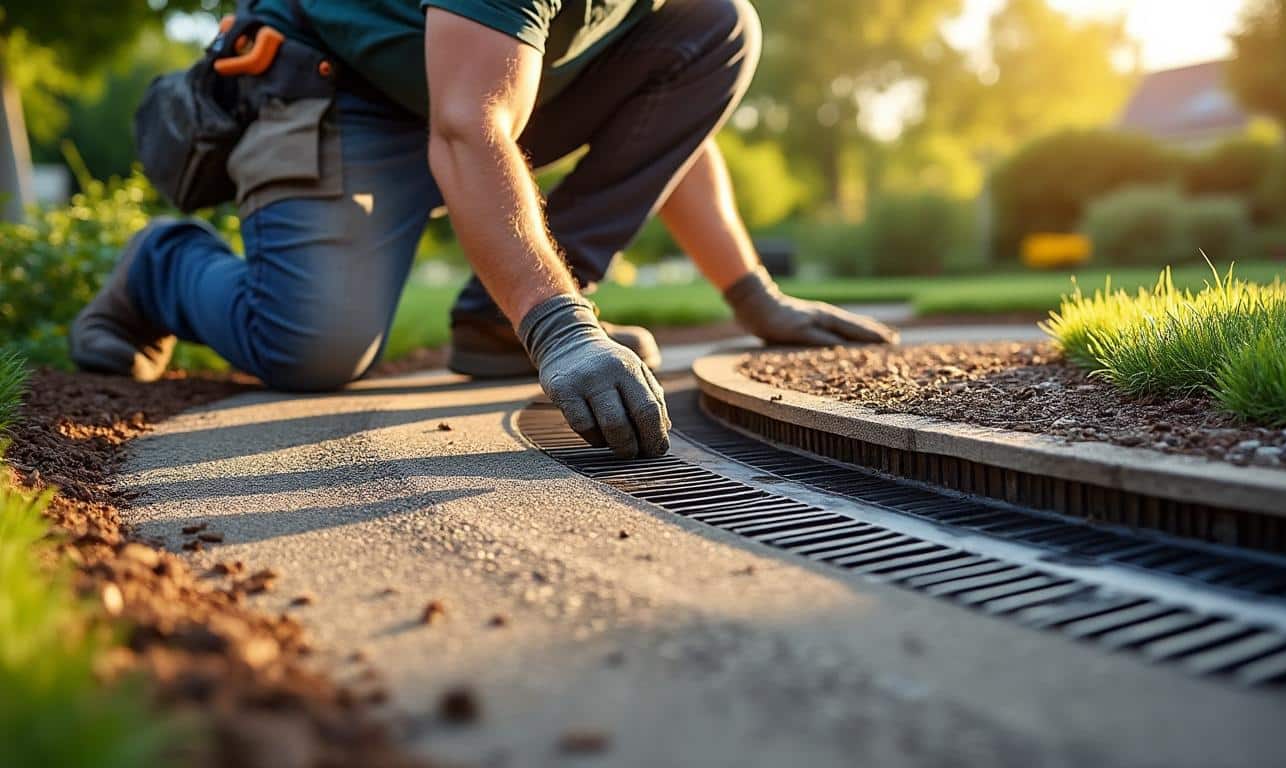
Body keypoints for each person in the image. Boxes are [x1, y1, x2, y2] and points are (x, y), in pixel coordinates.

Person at [69, 0, 894, 460]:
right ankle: (158, 266)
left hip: (464, 77)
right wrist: (562, 329)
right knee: (312, 349)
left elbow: (672, 130)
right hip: (333, 85)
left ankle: (499, 322)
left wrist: (753, 296)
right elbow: (470, 127)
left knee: (717, 28)